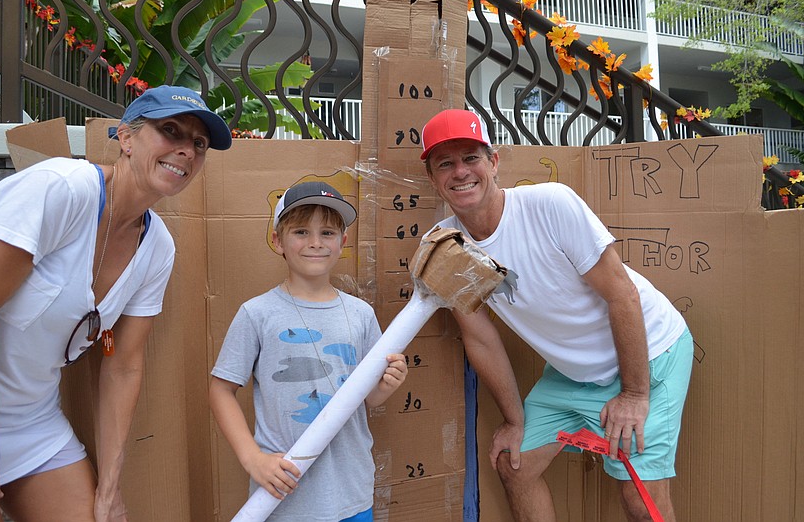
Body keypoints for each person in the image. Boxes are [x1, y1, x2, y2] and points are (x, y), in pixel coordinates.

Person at [0, 85, 233, 522]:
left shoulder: (157, 247)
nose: (186, 151)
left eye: (198, 144)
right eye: (170, 131)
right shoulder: (60, 189)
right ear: (125, 138)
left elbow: (122, 367)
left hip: (29, 420)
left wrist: (110, 488)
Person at [419, 109, 693, 522]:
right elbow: (481, 339)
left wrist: (635, 396)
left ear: (494, 162)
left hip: (649, 353)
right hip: (573, 373)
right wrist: (514, 421)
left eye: (471, 157)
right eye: (446, 163)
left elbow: (622, 295)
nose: (460, 172)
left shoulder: (550, 204)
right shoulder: (447, 247)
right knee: (515, 464)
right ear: (433, 178)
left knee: (640, 499)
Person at [209, 181, 408, 522]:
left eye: (328, 233)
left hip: (352, 493)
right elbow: (220, 389)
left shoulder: (361, 314)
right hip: (282, 497)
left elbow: (368, 399)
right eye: (301, 231)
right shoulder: (257, 313)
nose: (315, 243)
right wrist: (252, 459)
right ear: (278, 240)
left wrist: (387, 384)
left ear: (343, 242)